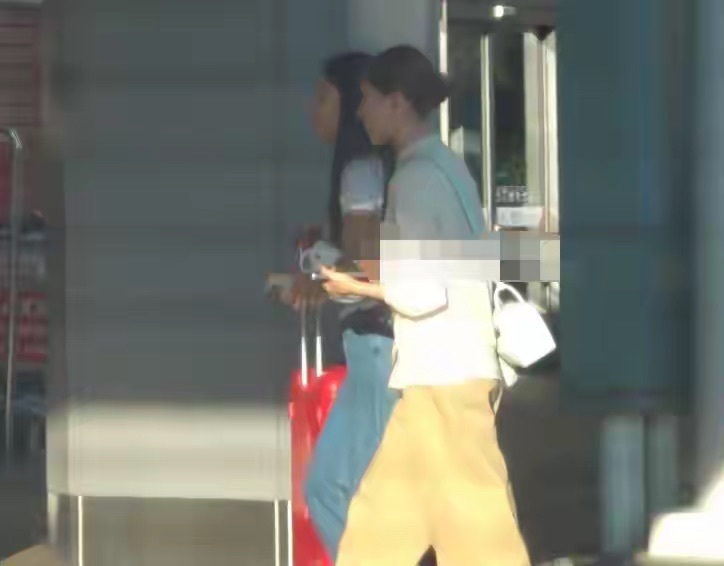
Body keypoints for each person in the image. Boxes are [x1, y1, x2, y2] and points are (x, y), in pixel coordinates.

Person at [320, 45, 530, 565]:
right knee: (378, 535)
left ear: (397, 102)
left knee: (473, 542)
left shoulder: (412, 181)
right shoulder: (448, 167)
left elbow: (421, 293)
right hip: (445, 377)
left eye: (367, 99)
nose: (360, 111)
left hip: (442, 381)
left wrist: (354, 288)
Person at [287, 52, 399, 560]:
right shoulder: (375, 171)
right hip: (374, 349)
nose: (314, 109)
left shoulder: (359, 174)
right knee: (355, 488)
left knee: (330, 487)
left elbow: (364, 268)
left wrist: (320, 272)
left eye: (324, 97)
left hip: (376, 348)